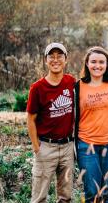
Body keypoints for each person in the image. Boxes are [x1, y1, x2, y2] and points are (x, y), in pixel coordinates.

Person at [74, 46, 108, 203]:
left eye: (101, 62)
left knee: (107, 192)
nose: (97, 66)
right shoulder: (78, 86)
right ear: (87, 64)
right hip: (86, 145)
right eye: (93, 62)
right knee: (92, 192)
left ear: (107, 64)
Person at [26, 42, 75, 203]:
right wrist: (36, 147)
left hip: (67, 147)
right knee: (39, 196)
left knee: (65, 196)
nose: (55, 60)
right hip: (46, 147)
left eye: (59, 56)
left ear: (65, 59)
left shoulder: (71, 82)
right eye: (51, 56)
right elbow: (31, 119)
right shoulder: (38, 88)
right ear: (45, 60)